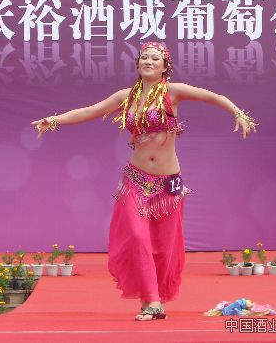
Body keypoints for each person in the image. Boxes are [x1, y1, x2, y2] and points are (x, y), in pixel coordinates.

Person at [32, 42, 257, 321]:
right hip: (135, 179)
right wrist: (53, 120)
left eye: (155, 58)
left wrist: (237, 113)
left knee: (164, 245)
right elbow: (89, 111)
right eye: (144, 58)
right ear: (138, 64)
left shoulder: (173, 92)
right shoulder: (125, 96)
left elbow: (212, 97)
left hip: (169, 183)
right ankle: (151, 300)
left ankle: (154, 299)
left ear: (165, 67)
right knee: (137, 237)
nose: (149, 61)